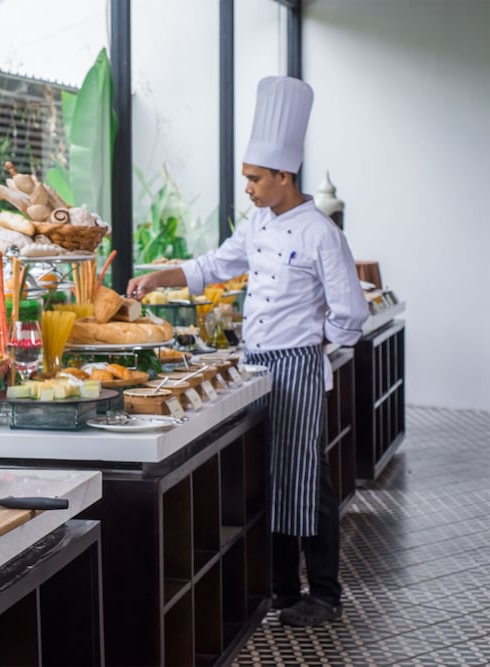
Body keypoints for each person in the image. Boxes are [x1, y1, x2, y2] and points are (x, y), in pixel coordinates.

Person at [127, 76, 369, 627]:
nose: (249, 189)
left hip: (297, 365)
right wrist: (160, 276)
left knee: (305, 480)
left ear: (284, 175)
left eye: (255, 179)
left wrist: (319, 343)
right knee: (272, 478)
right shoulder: (259, 222)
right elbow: (216, 265)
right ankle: (282, 592)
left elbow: (350, 312)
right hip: (256, 364)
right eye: (246, 178)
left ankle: (324, 594)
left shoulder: (320, 233)